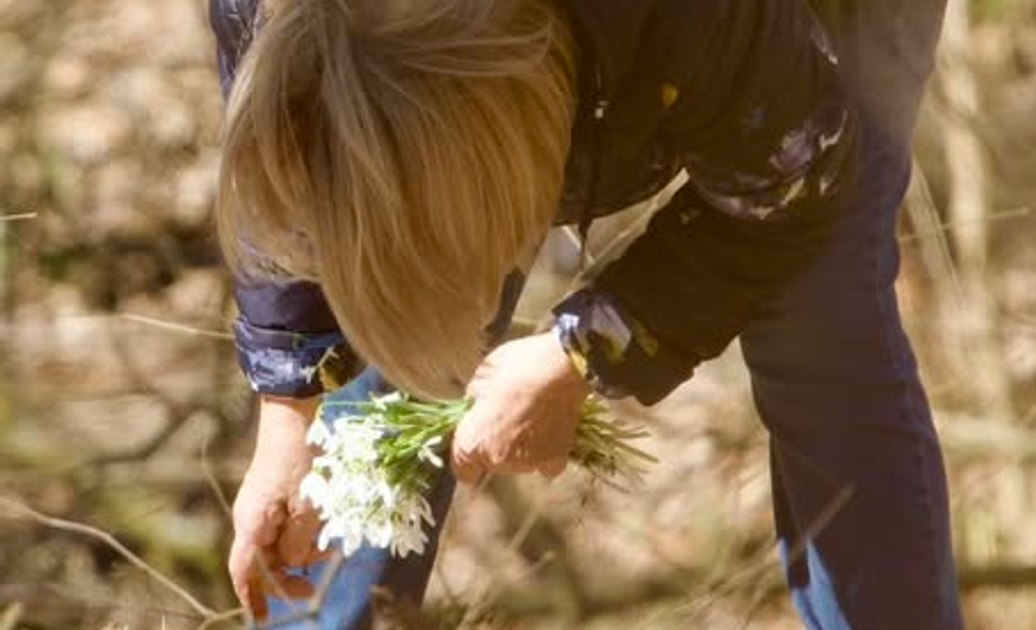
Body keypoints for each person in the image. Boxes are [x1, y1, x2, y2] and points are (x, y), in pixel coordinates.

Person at [208, 0, 963, 627]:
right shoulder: (271, 16)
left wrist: (583, 348)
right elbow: (301, 173)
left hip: (782, 36)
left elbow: (797, 188)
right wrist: (289, 404)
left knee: (819, 323)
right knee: (383, 327)